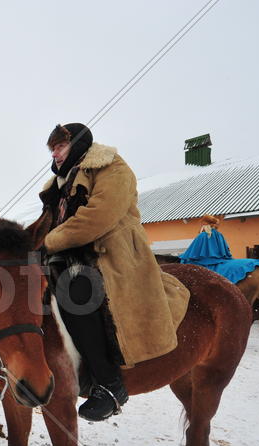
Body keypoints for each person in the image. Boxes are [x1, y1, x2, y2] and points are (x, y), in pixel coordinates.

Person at [39, 123, 188, 422]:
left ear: (78, 144)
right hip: (69, 253)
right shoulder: (61, 184)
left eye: (60, 146)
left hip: (113, 254)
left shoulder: (112, 169)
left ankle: (109, 384)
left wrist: (49, 242)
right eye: (52, 149)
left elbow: (98, 217)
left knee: (75, 289)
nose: (54, 154)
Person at [178, 215, 259, 283]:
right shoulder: (219, 235)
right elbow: (225, 251)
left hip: (205, 262)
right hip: (221, 260)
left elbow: (192, 253)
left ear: (204, 224)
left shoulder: (202, 235)